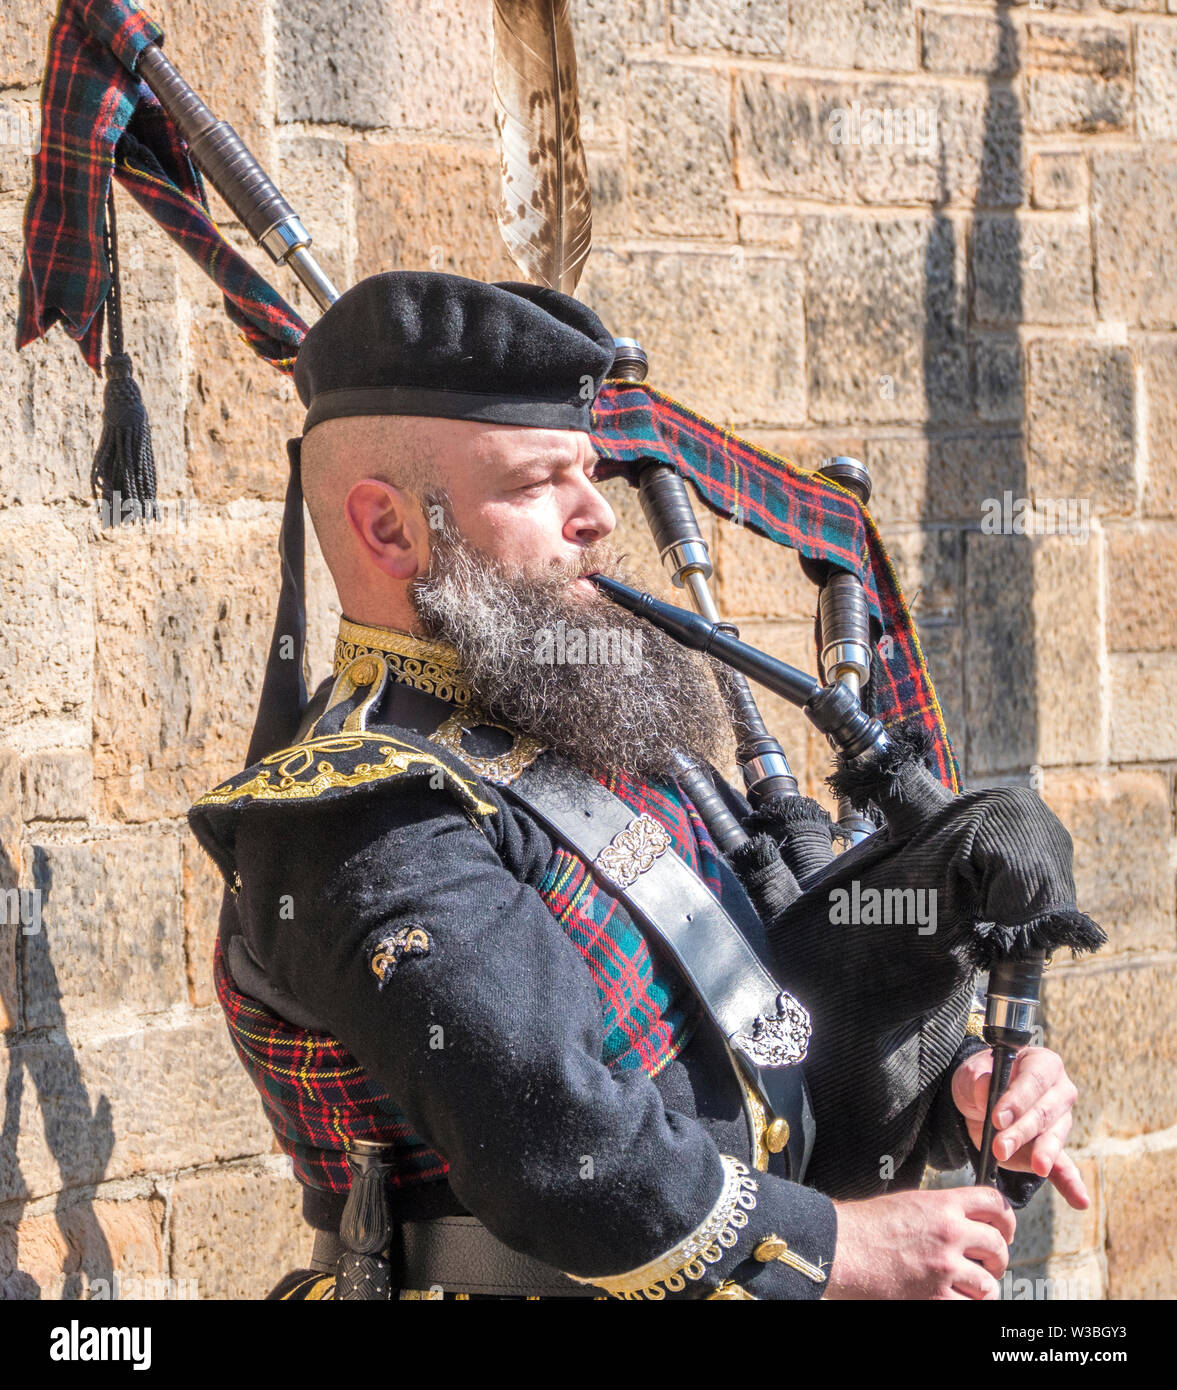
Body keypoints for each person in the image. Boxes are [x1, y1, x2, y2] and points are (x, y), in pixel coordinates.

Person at [187, 272, 1087, 1300]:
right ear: (388, 530)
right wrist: (839, 1248)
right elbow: (567, 1151)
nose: (595, 519)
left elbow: (774, 1014)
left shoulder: (592, 727)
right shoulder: (363, 812)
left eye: (590, 475)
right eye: (536, 484)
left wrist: (962, 1074)